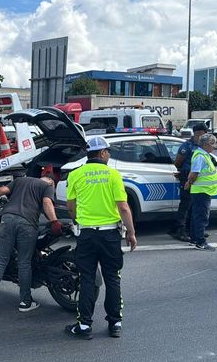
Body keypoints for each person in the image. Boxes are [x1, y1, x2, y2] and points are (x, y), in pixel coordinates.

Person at [64, 136, 137, 340]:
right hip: (110, 235)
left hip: (87, 234)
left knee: (87, 279)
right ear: (103, 153)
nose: (109, 155)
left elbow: (71, 206)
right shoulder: (113, 175)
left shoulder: (76, 174)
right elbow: (123, 207)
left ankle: (85, 326)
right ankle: (115, 323)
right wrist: (131, 233)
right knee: (112, 278)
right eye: (108, 152)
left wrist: (79, 220)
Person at [0, 175, 62, 313]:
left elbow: (1, 190)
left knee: (1, 259)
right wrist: (55, 221)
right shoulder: (47, 187)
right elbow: (47, 203)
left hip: (7, 219)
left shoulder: (21, 180)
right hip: (28, 224)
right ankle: (25, 302)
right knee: (24, 263)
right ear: (51, 183)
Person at [168, 123, 208, 242]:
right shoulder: (187, 146)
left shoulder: (202, 146)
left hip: (198, 180)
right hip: (187, 177)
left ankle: (193, 231)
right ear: (199, 133)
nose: (205, 135)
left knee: (194, 206)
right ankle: (180, 231)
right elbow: (177, 163)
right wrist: (185, 173)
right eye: (204, 133)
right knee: (185, 205)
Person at [184, 133, 217, 252]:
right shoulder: (200, 156)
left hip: (202, 190)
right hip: (202, 191)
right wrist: (189, 181)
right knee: (201, 217)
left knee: (196, 216)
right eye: (213, 143)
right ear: (205, 145)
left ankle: (194, 238)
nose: (215, 146)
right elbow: (194, 173)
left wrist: (189, 182)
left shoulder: (203, 155)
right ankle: (200, 242)